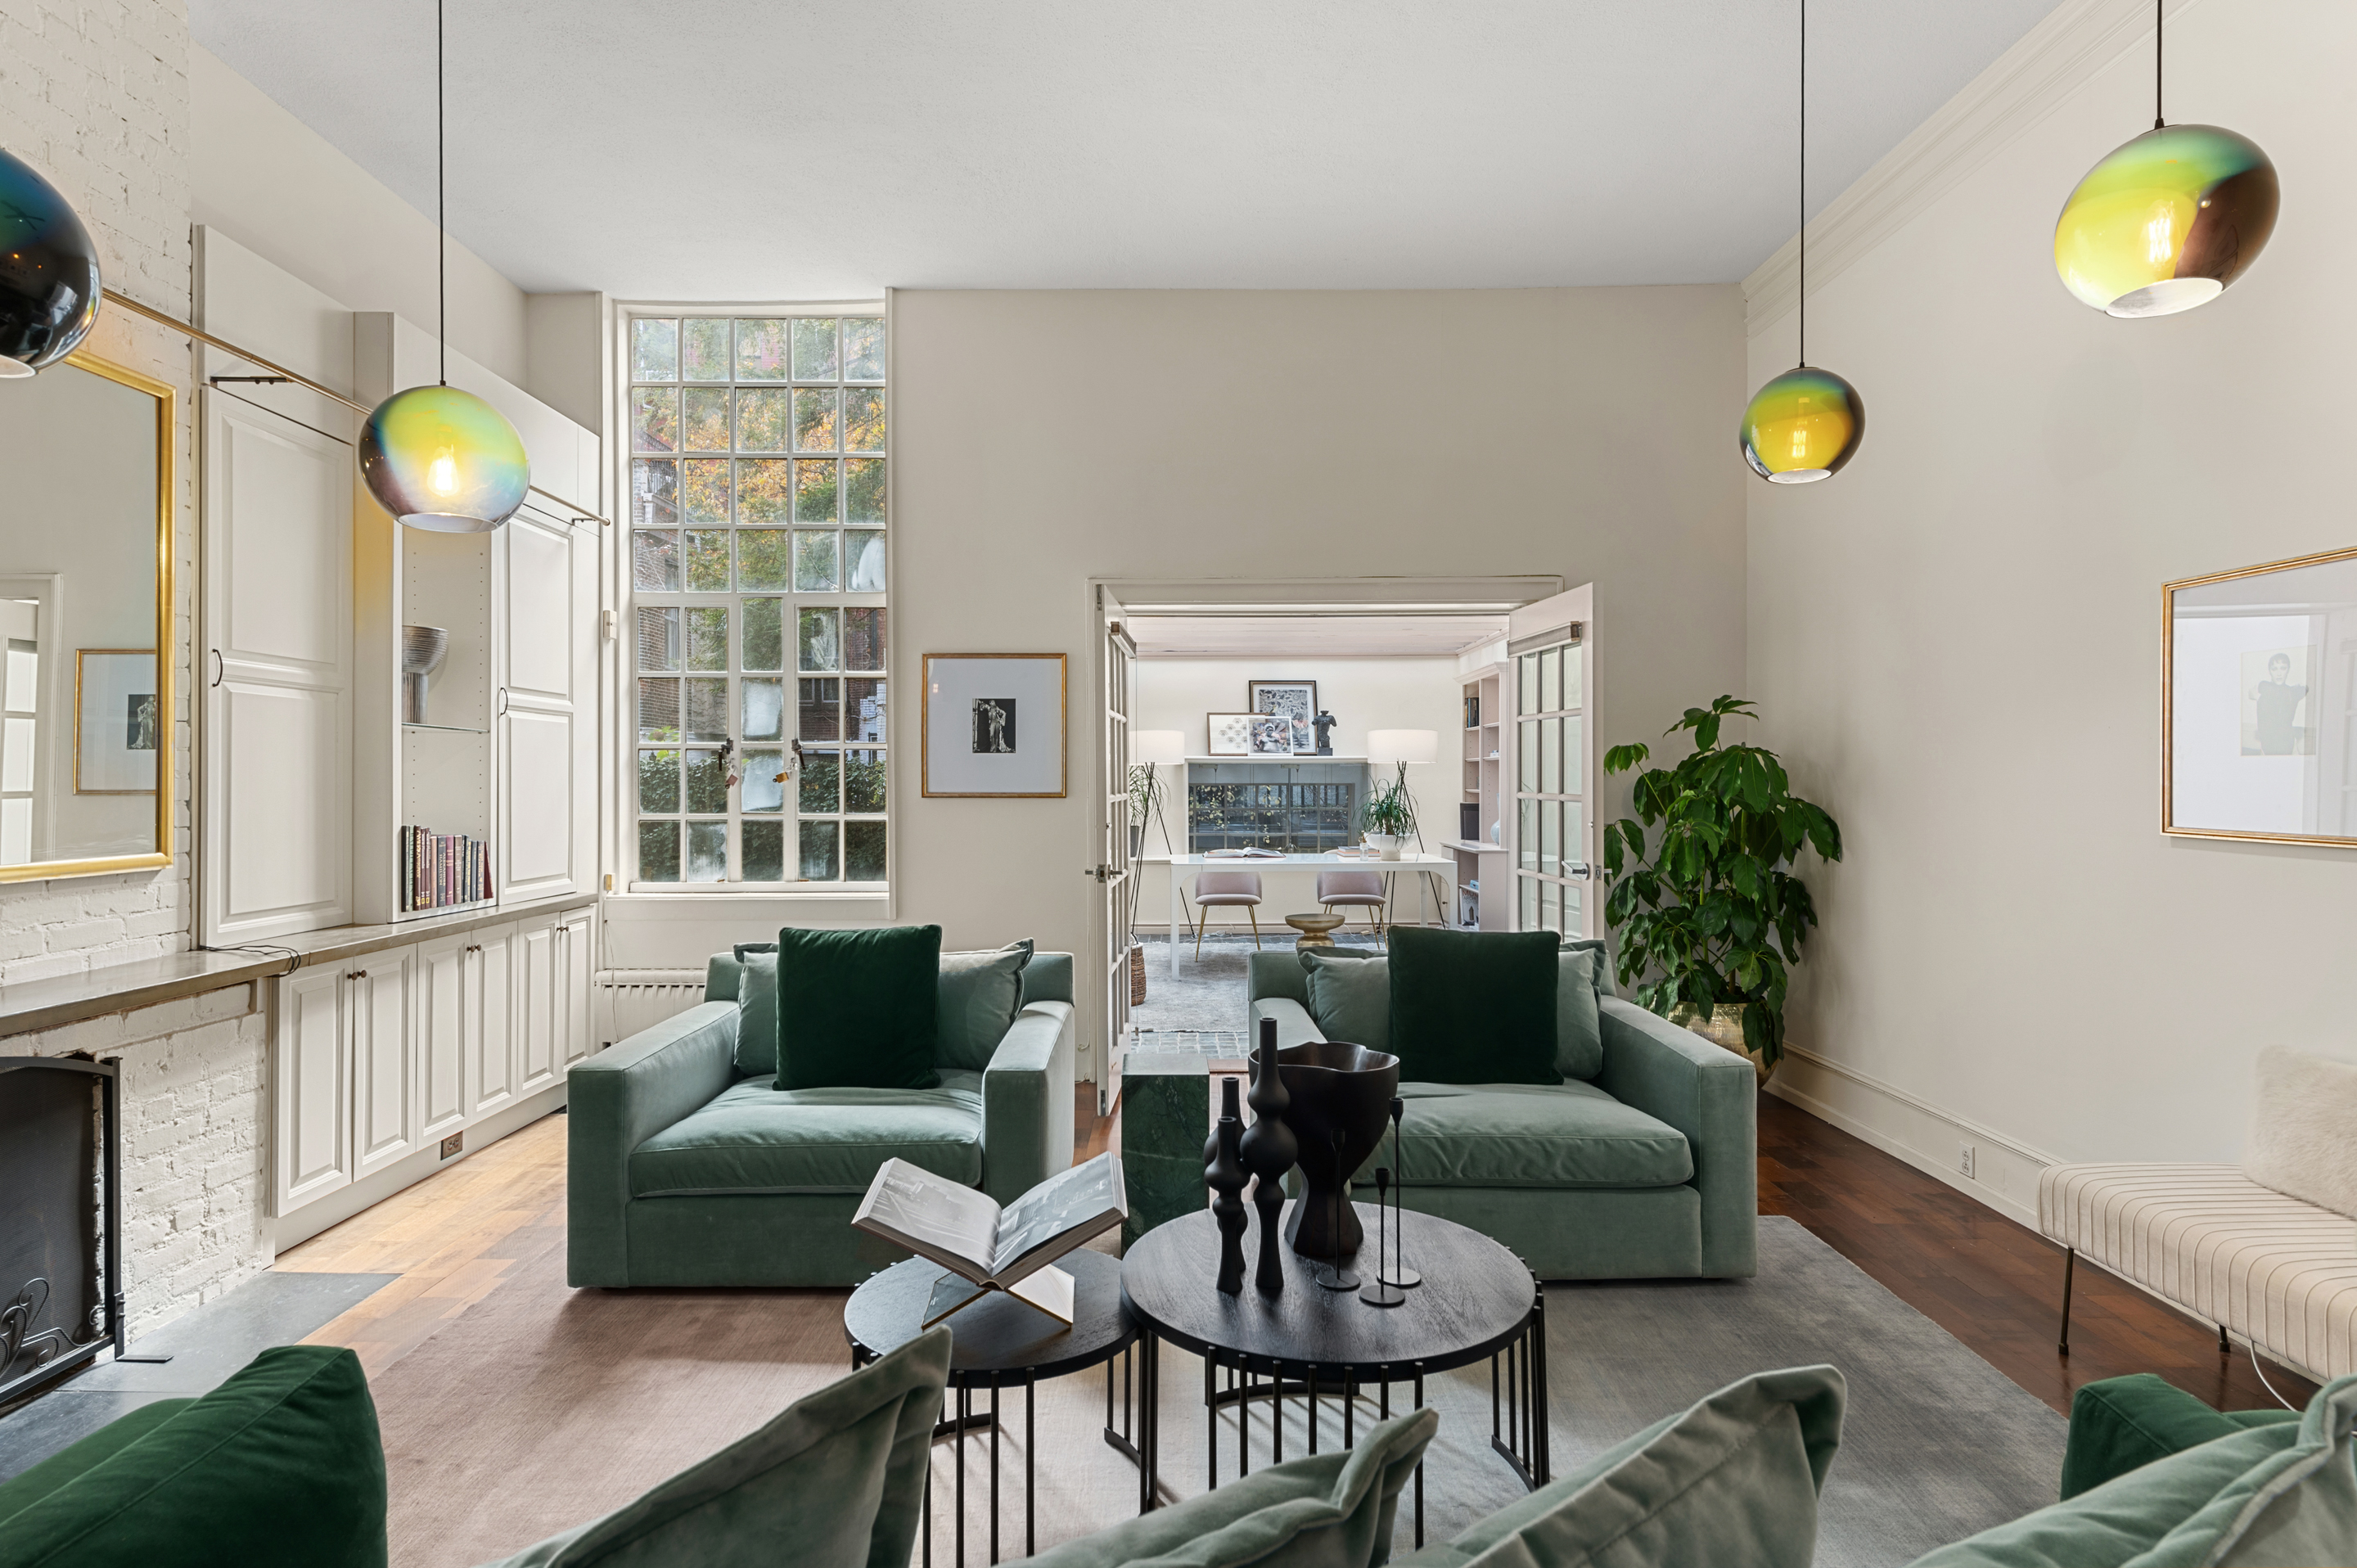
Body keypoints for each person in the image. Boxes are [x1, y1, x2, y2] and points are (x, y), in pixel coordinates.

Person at [2252, 651, 2307, 755]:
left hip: (2289, 747)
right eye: (2274, 669)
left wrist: (2257, 697)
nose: (2279, 673)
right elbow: (2273, 694)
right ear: (2269, 671)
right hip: (2267, 748)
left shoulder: (2292, 692)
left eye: (2283, 668)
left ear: (2288, 670)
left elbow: (2304, 689)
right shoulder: (2265, 687)